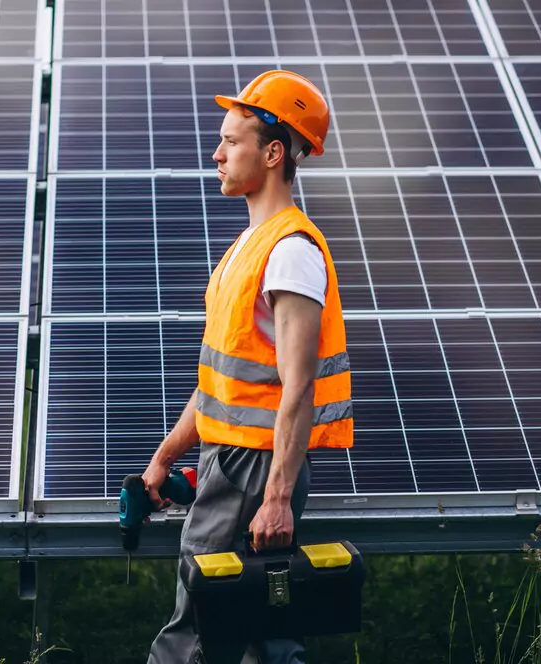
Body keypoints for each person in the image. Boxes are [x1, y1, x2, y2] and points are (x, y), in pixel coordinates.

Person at [143, 70, 354, 664]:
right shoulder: (248, 247)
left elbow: (298, 384)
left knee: (199, 631)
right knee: (257, 633)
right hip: (231, 460)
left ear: (273, 152)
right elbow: (221, 381)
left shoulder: (290, 252)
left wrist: (278, 495)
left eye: (231, 141)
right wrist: (166, 457)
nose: (217, 153)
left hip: (252, 467)